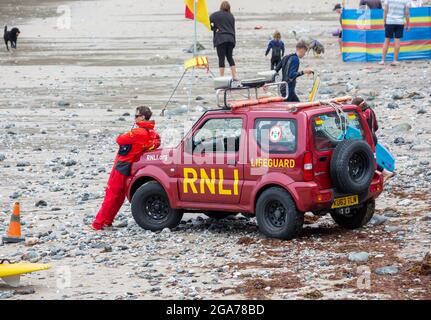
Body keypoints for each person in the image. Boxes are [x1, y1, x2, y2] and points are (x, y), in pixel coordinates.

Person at [91, 106, 161, 231]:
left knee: (111, 195)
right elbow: (156, 142)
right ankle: (107, 221)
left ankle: (98, 224)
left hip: (121, 165)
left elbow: (119, 139)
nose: (134, 118)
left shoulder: (137, 132)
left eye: (136, 116)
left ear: (143, 117)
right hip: (132, 167)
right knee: (119, 195)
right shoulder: (153, 134)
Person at [352, 97, 395, 182]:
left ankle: (386, 173)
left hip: (369, 139)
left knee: (370, 158)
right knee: (370, 157)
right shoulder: (370, 110)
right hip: (372, 137)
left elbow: (363, 121)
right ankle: (381, 173)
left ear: (359, 106)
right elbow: (376, 127)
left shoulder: (366, 112)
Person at [210, 1, 239, 80]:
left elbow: (207, 21)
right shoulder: (231, 16)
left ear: (221, 7)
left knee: (221, 58)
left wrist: (214, 29)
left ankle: (221, 77)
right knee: (230, 57)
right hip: (231, 39)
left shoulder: (215, 15)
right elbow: (233, 29)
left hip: (221, 39)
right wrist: (234, 41)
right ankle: (235, 76)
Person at [379, 0, 411, 66]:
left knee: (386, 41)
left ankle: (382, 60)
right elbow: (407, 13)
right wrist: (408, 24)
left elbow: (385, 11)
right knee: (397, 41)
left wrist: (384, 21)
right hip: (400, 23)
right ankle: (394, 60)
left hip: (389, 22)